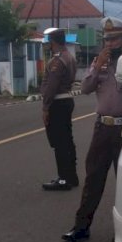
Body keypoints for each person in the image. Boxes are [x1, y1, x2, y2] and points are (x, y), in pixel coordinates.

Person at [62, 16, 122, 242]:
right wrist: (97, 67)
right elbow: (86, 88)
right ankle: (81, 227)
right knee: (93, 177)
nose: (109, 44)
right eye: (106, 39)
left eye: (115, 39)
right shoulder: (100, 63)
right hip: (103, 126)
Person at [40, 27, 79, 191]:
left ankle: (63, 179)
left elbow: (51, 86)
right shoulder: (69, 57)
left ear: (52, 42)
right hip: (67, 100)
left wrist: (45, 107)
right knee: (67, 141)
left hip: (57, 102)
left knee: (60, 142)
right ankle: (72, 176)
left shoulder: (57, 61)